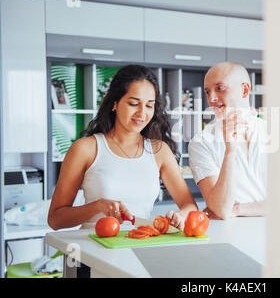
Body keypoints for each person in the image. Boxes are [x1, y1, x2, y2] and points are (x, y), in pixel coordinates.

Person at [48, 65, 198, 230]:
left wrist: (180, 216)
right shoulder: (86, 149)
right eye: (134, 103)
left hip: (140, 245)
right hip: (93, 248)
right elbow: (55, 219)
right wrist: (98, 206)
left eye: (149, 105)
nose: (142, 113)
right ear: (115, 103)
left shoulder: (160, 151)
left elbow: (190, 207)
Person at [188, 62, 268, 220]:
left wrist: (238, 209)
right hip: (230, 233)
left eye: (220, 88)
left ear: (244, 90)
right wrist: (230, 152)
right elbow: (222, 210)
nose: (211, 98)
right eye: (207, 91)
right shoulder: (201, 143)